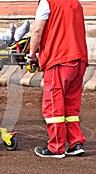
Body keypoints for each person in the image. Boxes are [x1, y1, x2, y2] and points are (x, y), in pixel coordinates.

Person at [28, 0, 88, 158]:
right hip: (79, 59)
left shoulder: (47, 3)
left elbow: (37, 30)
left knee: (53, 105)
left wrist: (32, 54)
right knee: (71, 106)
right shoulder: (75, 3)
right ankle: (75, 143)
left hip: (58, 60)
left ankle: (56, 147)